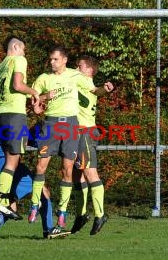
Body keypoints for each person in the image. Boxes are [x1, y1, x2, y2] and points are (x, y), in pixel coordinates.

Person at [29, 45, 88, 235]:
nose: (52, 62)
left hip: (70, 125)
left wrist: (106, 88)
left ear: (64, 60)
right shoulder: (43, 78)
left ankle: (62, 211)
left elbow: (94, 89)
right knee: (40, 165)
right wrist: (44, 98)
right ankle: (34, 204)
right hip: (50, 125)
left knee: (67, 170)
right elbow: (34, 102)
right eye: (51, 59)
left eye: (55, 59)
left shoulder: (75, 75)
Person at [0, 35, 40, 220]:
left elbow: (11, 92)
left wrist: (34, 99)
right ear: (17, 47)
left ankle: (1, 203)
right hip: (14, 117)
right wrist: (34, 92)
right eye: (24, 49)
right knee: (13, 162)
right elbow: (18, 85)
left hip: (1, 115)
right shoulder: (19, 59)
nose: (25, 52)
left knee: (8, 161)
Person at [67, 55, 114, 235]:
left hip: (85, 132)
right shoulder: (78, 81)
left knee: (90, 172)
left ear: (90, 71)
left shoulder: (85, 81)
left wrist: (105, 89)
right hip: (75, 132)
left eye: (80, 66)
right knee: (76, 175)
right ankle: (81, 215)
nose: (76, 68)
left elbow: (96, 91)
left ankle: (100, 214)